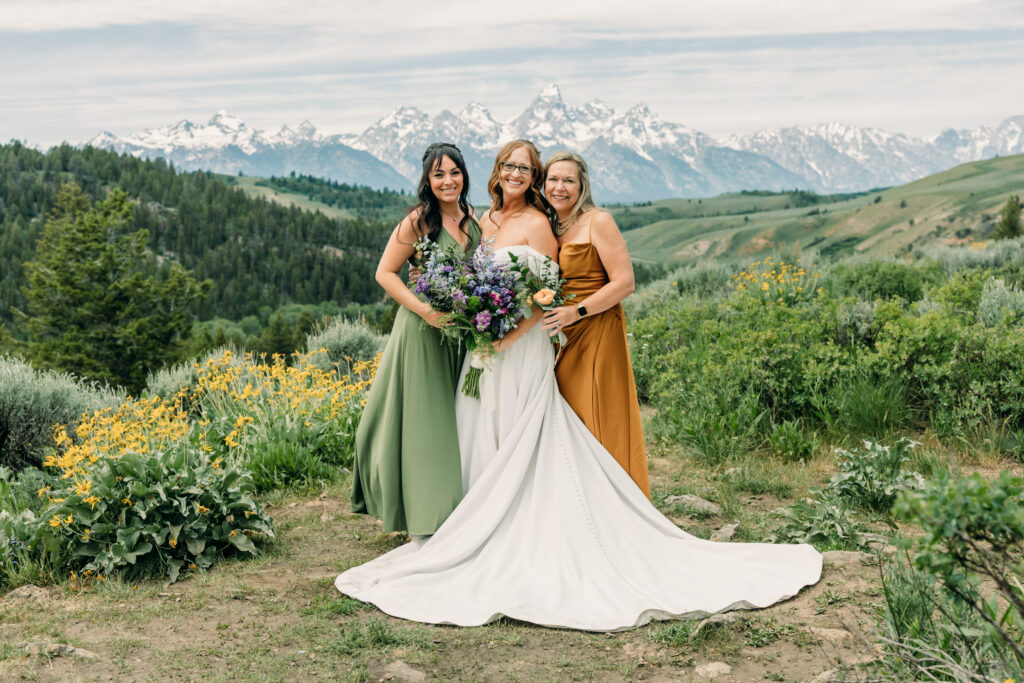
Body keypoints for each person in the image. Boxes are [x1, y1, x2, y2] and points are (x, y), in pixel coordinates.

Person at [335, 141, 822, 632]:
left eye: (527, 168)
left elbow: (548, 293)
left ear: (536, 176)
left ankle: (521, 527)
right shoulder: (484, 221)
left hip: (519, 347)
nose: (517, 174)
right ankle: (471, 522)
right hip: (483, 346)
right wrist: (474, 323)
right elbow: (461, 278)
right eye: (509, 166)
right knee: (475, 424)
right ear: (496, 171)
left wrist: (511, 335)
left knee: (522, 429)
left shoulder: (541, 225)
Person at [349, 142, 482, 543]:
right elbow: (385, 273)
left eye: (454, 172)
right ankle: (424, 518)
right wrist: (427, 312)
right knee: (426, 423)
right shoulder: (417, 222)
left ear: (464, 176)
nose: (448, 181)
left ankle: (455, 509)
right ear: (427, 180)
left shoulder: (472, 217)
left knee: (456, 419)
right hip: (423, 331)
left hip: (460, 332)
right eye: (439, 174)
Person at [540, 150, 649, 496]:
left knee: (597, 413)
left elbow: (624, 282)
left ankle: (613, 498)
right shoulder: (548, 224)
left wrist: (578, 311)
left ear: (582, 185)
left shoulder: (596, 221)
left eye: (568, 180)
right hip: (561, 334)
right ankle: (577, 498)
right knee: (567, 418)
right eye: (553, 179)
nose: (560, 187)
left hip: (597, 327)